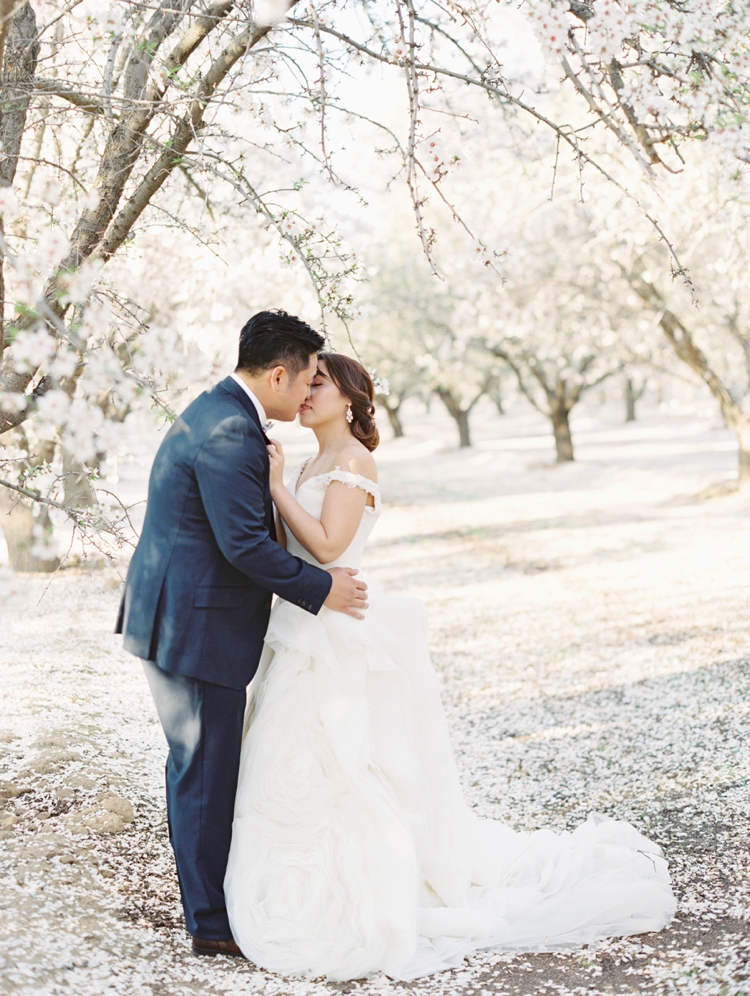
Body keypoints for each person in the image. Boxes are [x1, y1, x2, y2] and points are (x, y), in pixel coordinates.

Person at [224, 352, 676, 981]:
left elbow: (328, 546)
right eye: (305, 382)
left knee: (351, 762)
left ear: (350, 397)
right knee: (293, 759)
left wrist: (275, 487)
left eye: (318, 383)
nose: (304, 392)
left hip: (338, 630)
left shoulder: (355, 461)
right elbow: (289, 547)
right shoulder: (308, 462)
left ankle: (370, 884)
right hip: (301, 626)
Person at [116, 312, 368, 957]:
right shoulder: (230, 431)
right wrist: (322, 589)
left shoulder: (219, 413)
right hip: (193, 627)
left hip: (184, 617)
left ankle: (210, 905)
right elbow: (244, 545)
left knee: (201, 768)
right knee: (204, 772)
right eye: (308, 376)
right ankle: (210, 924)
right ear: (279, 373)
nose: (310, 390)